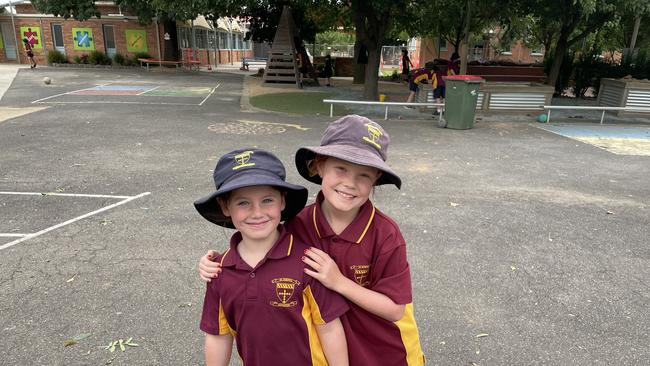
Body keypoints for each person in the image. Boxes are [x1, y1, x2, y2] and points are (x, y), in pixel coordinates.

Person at [199, 116, 425, 366]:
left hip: (386, 352)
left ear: (376, 180)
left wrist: (338, 281)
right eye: (341, 168)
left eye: (363, 175)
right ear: (319, 166)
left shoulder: (386, 234)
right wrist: (217, 262)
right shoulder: (299, 223)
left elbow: (395, 309)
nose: (350, 183)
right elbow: (260, 240)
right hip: (329, 352)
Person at [195, 148, 349, 366]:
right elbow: (218, 336)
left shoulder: (309, 262)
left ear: (282, 201)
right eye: (243, 202)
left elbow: (330, 328)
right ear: (225, 206)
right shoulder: (219, 271)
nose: (257, 212)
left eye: (267, 200)